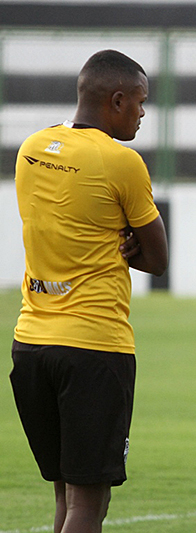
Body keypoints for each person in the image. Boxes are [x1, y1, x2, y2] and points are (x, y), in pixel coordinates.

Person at [10, 49, 168, 533]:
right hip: (94, 346)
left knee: (64, 495)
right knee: (88, 506)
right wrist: (123, 244)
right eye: (140, 102)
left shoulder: (32, 147)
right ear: (116, 101)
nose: (143, 113)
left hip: (31, 341)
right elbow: (157, 259)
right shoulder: (121, 161)